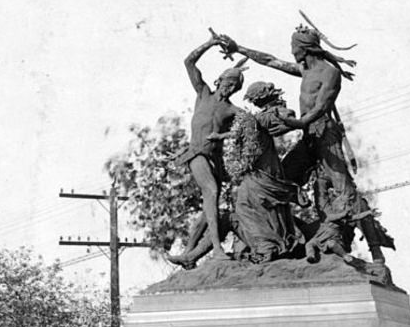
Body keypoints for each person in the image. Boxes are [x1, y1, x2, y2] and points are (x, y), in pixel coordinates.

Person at [215, 25, 394, 263]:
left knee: (347, 193)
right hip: (308, 136)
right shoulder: (304, 69)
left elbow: (321, 107)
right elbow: (270, 60)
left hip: (325, 138)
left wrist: (298, 123)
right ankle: (286, 240)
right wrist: (239, 48)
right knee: (280, 182)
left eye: (294, 48)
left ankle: (376, 251)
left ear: (305, 48)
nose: (292, 53)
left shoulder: (330, 73)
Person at [166, 40, 247, 269]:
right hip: (196, 155)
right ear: (219, 80)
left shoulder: (231, 109)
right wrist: (211, 43)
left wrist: (224, 137)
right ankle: (218, 250)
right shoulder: (203, 94)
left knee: (208, 210)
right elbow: (189, 61)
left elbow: (249, 127)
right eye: (227, 82)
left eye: (234, 86)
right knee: (210, 191)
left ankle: (189, 254)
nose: (229, 88)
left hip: (215, 161)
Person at [229, 81, 300, 262]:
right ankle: (273, 245)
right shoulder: (261, 116)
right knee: (264, 208)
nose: (253, 103)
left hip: (262, 173)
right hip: (260, 171)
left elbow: (287, 117)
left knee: (245, 205)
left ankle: (268, 246)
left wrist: (289, 124)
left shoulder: (269, 115)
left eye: (254, 100)